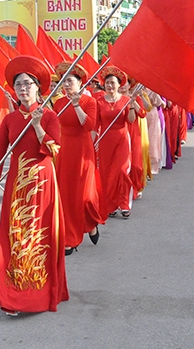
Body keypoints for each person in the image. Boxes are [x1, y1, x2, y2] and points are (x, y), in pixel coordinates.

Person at [0, 55, 68, 315]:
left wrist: (37, 126)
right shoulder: (9, 120)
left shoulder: (49, 116)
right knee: (16, 237)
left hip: (42, 183)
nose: (23, 89)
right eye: (18, 85)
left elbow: (54, 150)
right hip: (17, 186)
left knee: (39, 238)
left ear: (38, 87)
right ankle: (15, 295)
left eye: (27, 84)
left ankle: (40, 292)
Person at [53, 61, 103, 254]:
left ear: (80, 83)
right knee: (67, 194)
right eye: (64, 81)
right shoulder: (57, 102)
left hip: (83, 152)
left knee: (84, 196)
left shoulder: (89, 102)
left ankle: (90, 223)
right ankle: (71, 237)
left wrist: (76, 105)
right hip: (65, 151)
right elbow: (55, 126)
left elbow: (89, 125)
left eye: (70, 81)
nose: (66, 84)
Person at [96, 67, 137, 218]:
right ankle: (111, 204)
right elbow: (95, 124)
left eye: (113, 83)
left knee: (122, 171)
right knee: (107, 174)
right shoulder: (99, 101)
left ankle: (124, 204)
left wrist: (132, 105)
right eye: (107, 83)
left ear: (119, 85)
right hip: (105, 140)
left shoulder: (126, 100)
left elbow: (131, 120)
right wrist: (93, 140)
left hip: (122, 139)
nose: (110, 86)